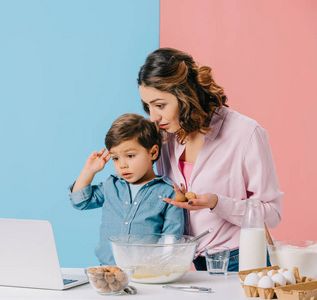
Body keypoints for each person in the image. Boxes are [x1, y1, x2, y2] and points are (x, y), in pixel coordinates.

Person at [137, 48, 283, 271]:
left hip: (242, 261)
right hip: (193, 264)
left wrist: (217, 203)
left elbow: (272, 214)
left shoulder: (245, 133)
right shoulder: (166, 136)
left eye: (160, 105)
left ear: (185, 95)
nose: (153, 117)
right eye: (147, 106)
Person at [68, 113, 184, 265]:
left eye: (130, 155)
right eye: (116, 158)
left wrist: (156, 263)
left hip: (148, 272)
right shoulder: (111, 185)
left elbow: (171, 240)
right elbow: (79, 201)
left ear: (153, 152)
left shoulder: (168, 193)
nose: (122, 165)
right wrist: (88, 171)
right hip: (109, 269)